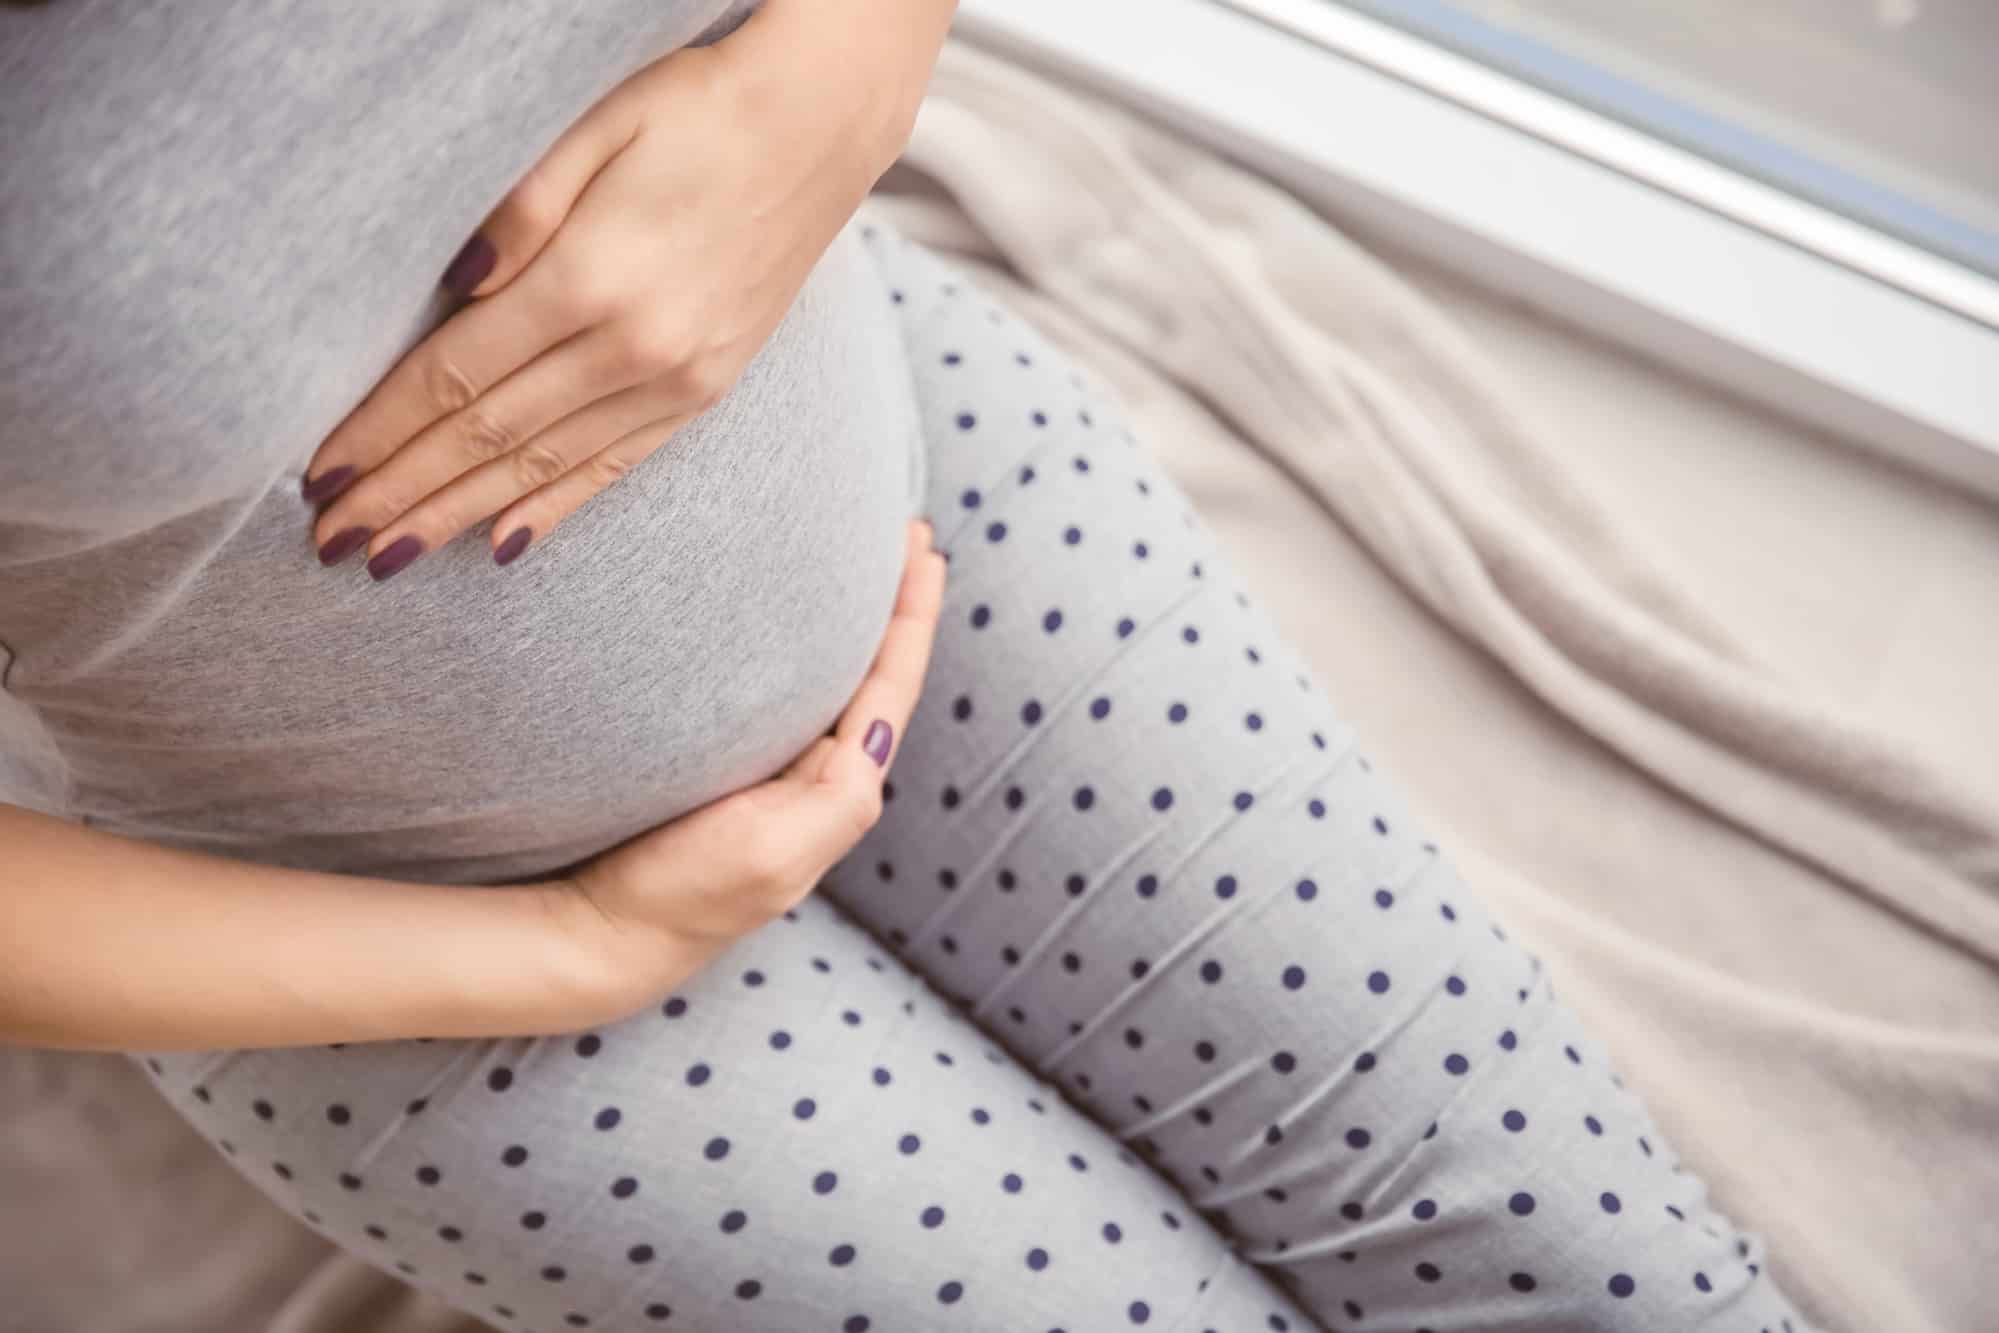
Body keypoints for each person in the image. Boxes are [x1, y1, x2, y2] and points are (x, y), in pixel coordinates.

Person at [0, 2, 1811, 1330]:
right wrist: (578, 948)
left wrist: (856, 60)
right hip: (431, 967)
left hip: (922, 503)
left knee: (1610, 1277)